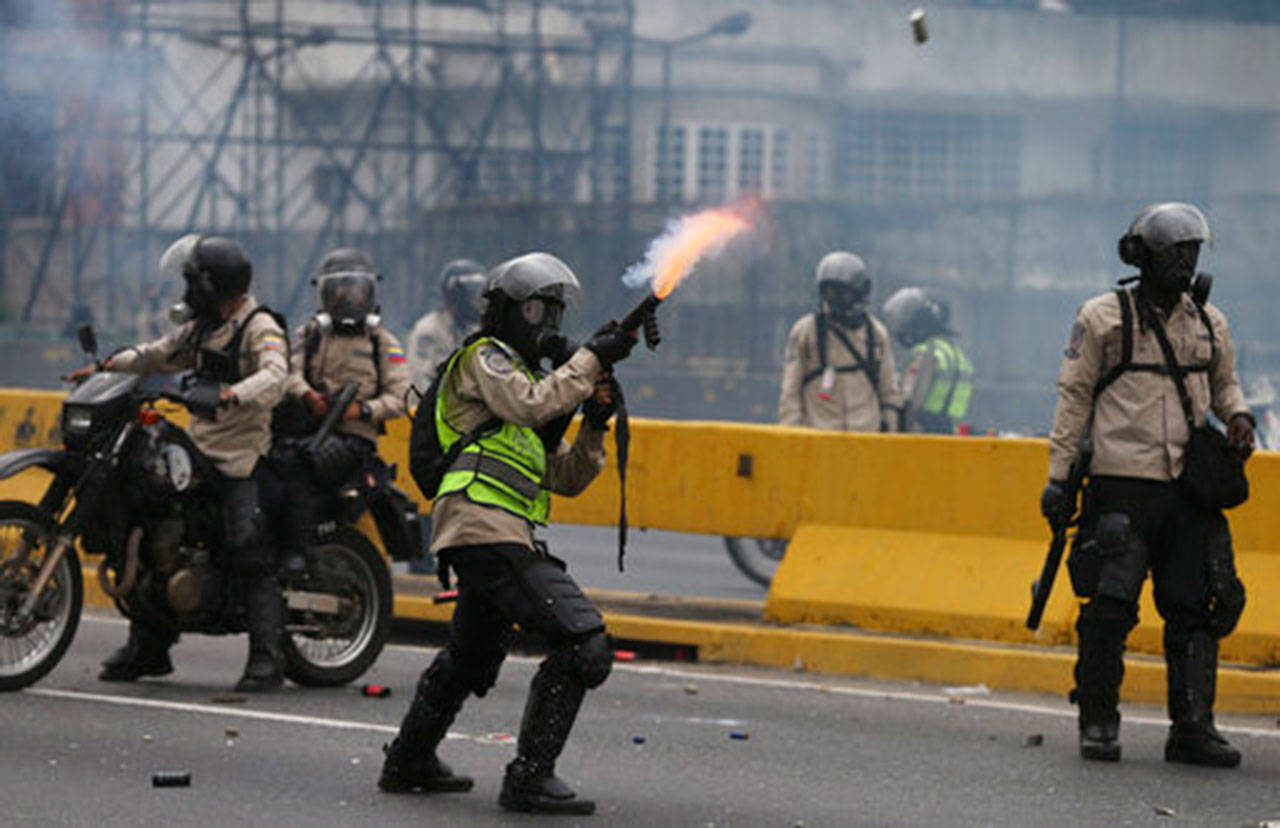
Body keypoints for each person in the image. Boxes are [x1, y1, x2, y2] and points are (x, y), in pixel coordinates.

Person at [377, 252, 635, 815]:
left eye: (554, 312)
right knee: (583, 642)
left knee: (468, 659)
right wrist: (591, 359)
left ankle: (408, 759)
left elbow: (565, 478)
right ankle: (529, 776)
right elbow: (532, 401)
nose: (547, 323)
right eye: (538, 307)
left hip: (499, 531)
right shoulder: (483, 360)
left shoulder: (527, 400)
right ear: (509, 309)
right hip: (478, 524)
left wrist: (593, 424)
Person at [1043, 202, 1255, 767]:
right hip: (1122, 488)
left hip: (1189, 491)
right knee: (1110, 606)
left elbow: (1227, 384)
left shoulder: (1211, 323)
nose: (1185, 263)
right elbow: (1073, 400)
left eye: (1193, 253)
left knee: (1195, 609)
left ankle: (1192, 728)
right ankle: (1098, 721)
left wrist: (1239, 418)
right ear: (1142, 256)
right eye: (1174, 252)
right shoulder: (1101, 318)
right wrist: (1059, 475)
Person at [67, 235, 290, 692]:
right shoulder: (202, 326)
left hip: (241, 454)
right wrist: (108, 367)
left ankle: (268, 656)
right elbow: (157, 354)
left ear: (216, 285)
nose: (188, 291)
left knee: (247, 544)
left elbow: (275, 374)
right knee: (150, 520)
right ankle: (149, 647)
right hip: (200, 442)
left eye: (194, 282)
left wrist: (234, 393)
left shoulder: (258, 325)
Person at [275, 248, 412, 575]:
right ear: (324, 293)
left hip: (355, 442)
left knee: (297, 466)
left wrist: (362, 410)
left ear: (368, 292)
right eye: (338, 288)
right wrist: (307, 394)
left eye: (355, 289)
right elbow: (286, 373)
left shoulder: (383, 341)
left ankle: (300, 553)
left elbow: (402, 397)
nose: (347, 296)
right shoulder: (309, 336)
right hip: (310, 430)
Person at [778, 251, 902, 431]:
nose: (836, 299)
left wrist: (890, 437)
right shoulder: (806, 331)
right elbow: (790, 393)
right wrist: (792, 438)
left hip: (865, 440)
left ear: (859, 291)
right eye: (829, 293)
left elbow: (889, 393)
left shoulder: (876, 334)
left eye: (843, 293)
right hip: (819, 439)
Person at [882, 286, 973, 434]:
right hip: (951, 435)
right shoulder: (958, 356)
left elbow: (910, 401)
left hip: (922, 435)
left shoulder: (927, 354)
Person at [406, 258, 487, 391]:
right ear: (456, 297)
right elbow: (419, 379)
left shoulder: (476, 331)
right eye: (472, 296)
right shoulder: (428, 331)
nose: (477, 303)